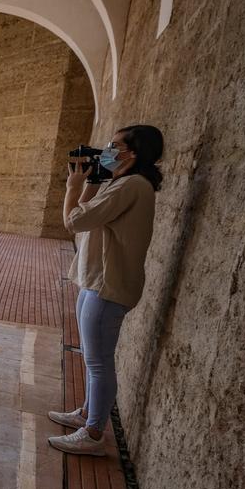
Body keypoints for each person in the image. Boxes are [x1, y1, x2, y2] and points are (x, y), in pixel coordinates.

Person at [48, 125, 164, 456]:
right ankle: (87, 413)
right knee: (92, 356)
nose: (107, 151)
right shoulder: (121, 183)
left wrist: (73, 185)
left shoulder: (130, 186)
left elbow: (73, 222)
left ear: (133, 153)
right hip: (97, 279)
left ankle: (94, 433)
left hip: (108, 285)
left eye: (114, 146)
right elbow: (85, 216)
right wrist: (91, 182)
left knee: (99, 362)